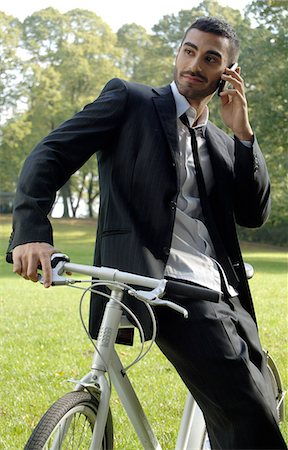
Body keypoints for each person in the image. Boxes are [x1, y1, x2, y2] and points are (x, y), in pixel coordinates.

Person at [7, 16, 287, 449]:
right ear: (178, 53)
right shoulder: (131, 101)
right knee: (246, 408)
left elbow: (253, 213)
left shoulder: (222, 140)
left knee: (261, 397)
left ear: (227, 74)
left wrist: (243, 133)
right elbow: (50, 154)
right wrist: (31, 231)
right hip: (162, 287)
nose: (195, 63)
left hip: (225, 291)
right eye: (189, 50)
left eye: (211, 58)